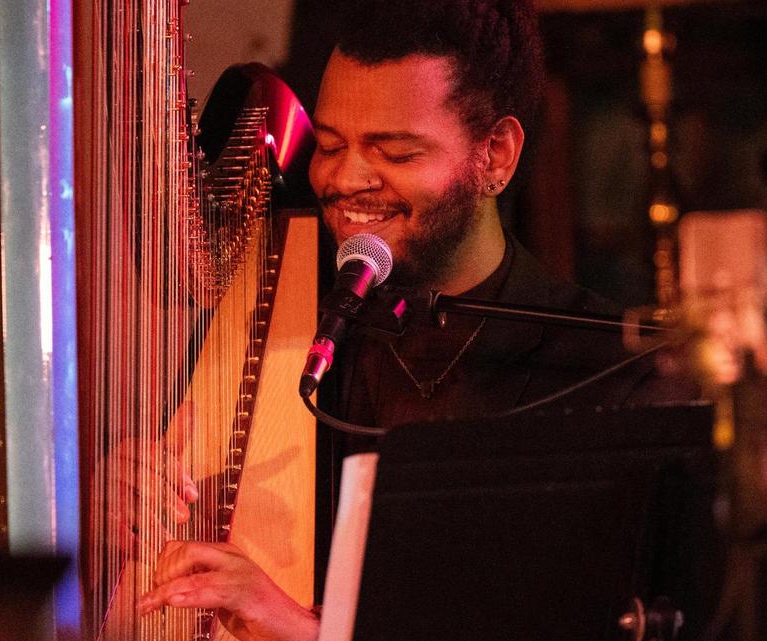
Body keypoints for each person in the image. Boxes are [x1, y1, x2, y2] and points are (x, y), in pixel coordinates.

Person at [137, 1, 680, 639]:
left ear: (496, 156)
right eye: (331, 144)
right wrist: (131, 503)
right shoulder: (286, 338)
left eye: (393, 151)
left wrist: (309, 630)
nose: (345, 178)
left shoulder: (609, 375)